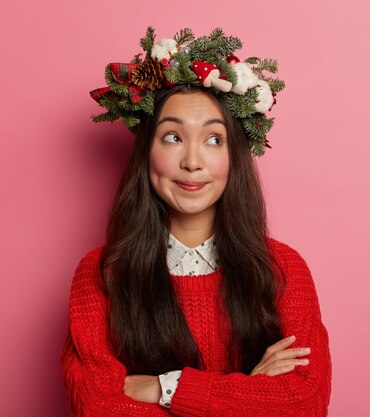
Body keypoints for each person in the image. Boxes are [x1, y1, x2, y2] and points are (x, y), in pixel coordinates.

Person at [60, 26, 332, 416]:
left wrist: (164, 387)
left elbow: (304, 403)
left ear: (234, 157)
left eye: (214, 139)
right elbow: (97, 406)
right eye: (172, 137)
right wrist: (251, 393)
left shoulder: (282, 268)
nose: (192, 161)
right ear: (146, 153)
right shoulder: (101, 274)